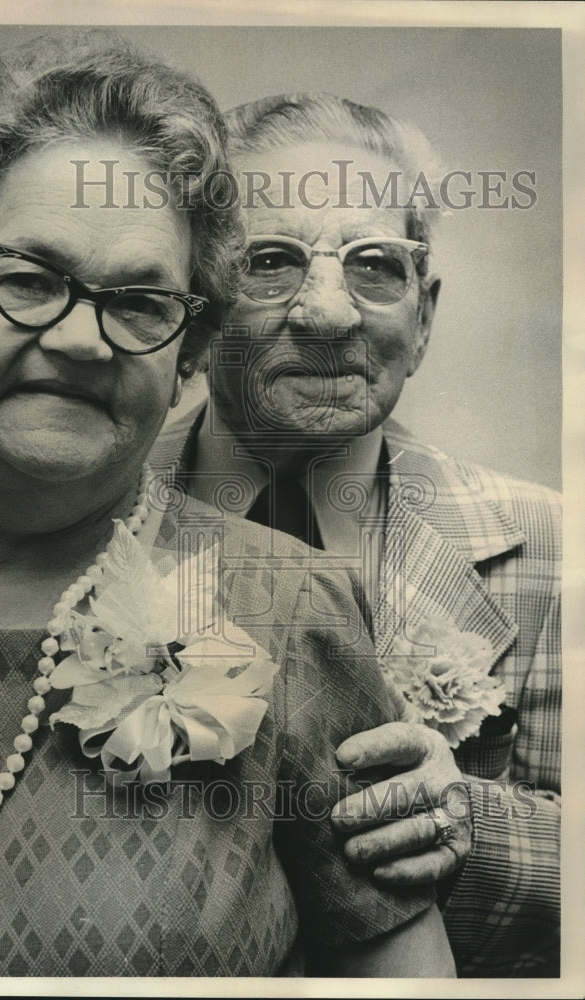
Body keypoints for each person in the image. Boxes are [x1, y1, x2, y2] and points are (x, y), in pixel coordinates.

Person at [0, 37, 456, 978]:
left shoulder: (294, 607)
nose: (80, 339)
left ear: (188, 354)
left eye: (142, 301)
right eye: (28, 278)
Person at [150, 92, 561, 977]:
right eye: (271, 261)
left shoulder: (552, 549)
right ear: (200, 304)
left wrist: (467, 827)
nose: (330, 315)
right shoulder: (88, 518)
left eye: (376, 266)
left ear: (424, 316)